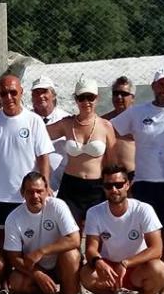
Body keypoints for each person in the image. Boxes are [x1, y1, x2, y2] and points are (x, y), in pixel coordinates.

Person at [110, 68, 164, 294]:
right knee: (146, 237)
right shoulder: (137, 112)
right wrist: (82, 121)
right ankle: (148, 282)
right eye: (160, 84)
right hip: (144, 184)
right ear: (153, 86)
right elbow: (109, 127)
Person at [81, 165, 164, 294]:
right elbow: (90, 248)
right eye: (108, 186)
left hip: (136, 267)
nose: (114, 190)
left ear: (127, 185)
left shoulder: (143, 209)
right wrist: (98, 262)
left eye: (119, 185)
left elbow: (157, 249)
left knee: (159, 269)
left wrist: (126, 263)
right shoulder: (95, 212)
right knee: (86, 274)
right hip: (109, 268)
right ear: (103, 188)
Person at [0, 74, 53, 227]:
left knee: (27, 238)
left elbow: (43, 157)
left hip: (26, 196)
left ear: (21, 92)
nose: (9, 97)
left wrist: (45, 186)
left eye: (13, 92)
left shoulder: (34, 121)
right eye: (4, 93)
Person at [4, 172, 81, 294]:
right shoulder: (13, 218)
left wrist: (42, 251)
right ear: (22, 193)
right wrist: (37, 273)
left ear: (47, 191)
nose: (35, 196)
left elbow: (75, 240)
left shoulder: (57, 206)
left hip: (60, 265)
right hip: (35, 266)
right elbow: (14, 258)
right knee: (16, 281)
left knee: (72, 255)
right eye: (30, 192)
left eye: (39, 191)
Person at [46, 77, 117, 228]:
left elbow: (112, 162)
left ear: (97, 98)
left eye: (90, 97)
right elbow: (40, 133)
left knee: (97, 233)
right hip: (71, 186)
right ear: (76, 99)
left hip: (97, 187)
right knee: (70, 232)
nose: (86, 102)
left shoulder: (105, 126)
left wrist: (112, 187)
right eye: (81, 97)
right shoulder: (67, 123)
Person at [30, 76, 69, 192]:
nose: (40, 96)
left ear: (53, 95)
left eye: (44, 92)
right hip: (32, 186)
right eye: (36, 93)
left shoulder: (66, 119)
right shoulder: (26, 120)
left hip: (60, 186)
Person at [101, 76, 136, 180]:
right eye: (115, 93)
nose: (119, 97)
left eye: (124, 94)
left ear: (132, 97)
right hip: (109, 177)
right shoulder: (103, 121)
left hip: (133, 175)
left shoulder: (140, 120)